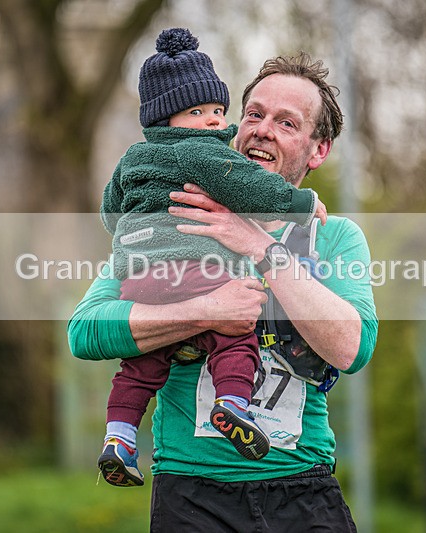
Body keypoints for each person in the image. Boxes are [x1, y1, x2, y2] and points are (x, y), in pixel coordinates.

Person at [69, 50, 378, 532]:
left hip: (302, 486)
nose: (262, 129)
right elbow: (85, 331)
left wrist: (255, 244)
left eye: (287, 122)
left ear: (319, 150)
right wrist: (207, 309)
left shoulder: (332, 236)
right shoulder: (174, 217)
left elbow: (351, 348)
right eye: (253, 114)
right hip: (190, 492)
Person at [97, 28, 329, 488]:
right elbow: (251, 186)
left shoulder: (131, 158)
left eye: (219, 111)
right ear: (165, 120)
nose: (211, 121)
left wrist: (133, 234)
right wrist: (302, 206)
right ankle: (234, 406)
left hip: (140, 279)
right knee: (236, 335)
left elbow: (110, 210)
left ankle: (119, 438)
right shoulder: (204, 153)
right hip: (197, 274)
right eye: (198, 112)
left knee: (139, 368)